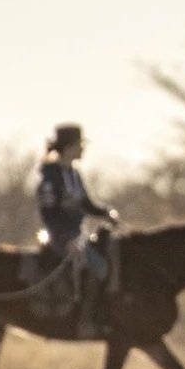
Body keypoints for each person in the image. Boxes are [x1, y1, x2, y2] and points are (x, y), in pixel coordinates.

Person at [36, 124, 116, 317]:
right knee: (98, 267)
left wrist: (107, 213)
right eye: (79, 145)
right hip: (60, 237)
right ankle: (85, 316)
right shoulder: (50, 178)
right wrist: (65, 239)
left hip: (78, 235)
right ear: (69, 147)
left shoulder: (74, 174)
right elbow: (49, 214)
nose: (83, 149)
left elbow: (87, 204)